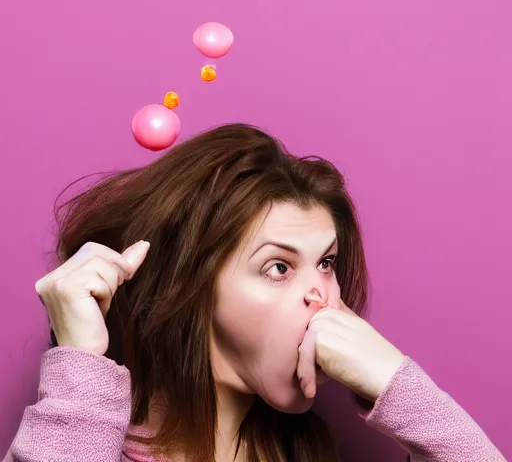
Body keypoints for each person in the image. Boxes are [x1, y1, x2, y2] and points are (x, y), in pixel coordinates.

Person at [4, 124, 505, 462]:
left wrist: (400, 385)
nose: (321, 296)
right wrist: (80, 367)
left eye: (326, 263)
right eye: (279, 267)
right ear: (190, 287)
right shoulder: (84, 441)